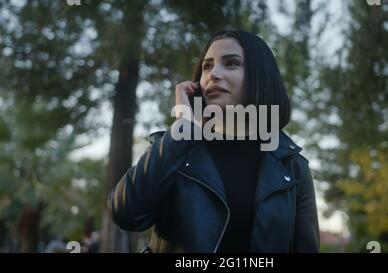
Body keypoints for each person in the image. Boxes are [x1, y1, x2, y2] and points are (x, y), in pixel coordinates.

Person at [108, 30, 320, 253]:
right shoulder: (175, 149)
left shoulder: (292, 166)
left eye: (231, 64)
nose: (213, 74)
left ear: (261, 77)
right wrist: (184, 129)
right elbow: (125, 213)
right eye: (207, 66)